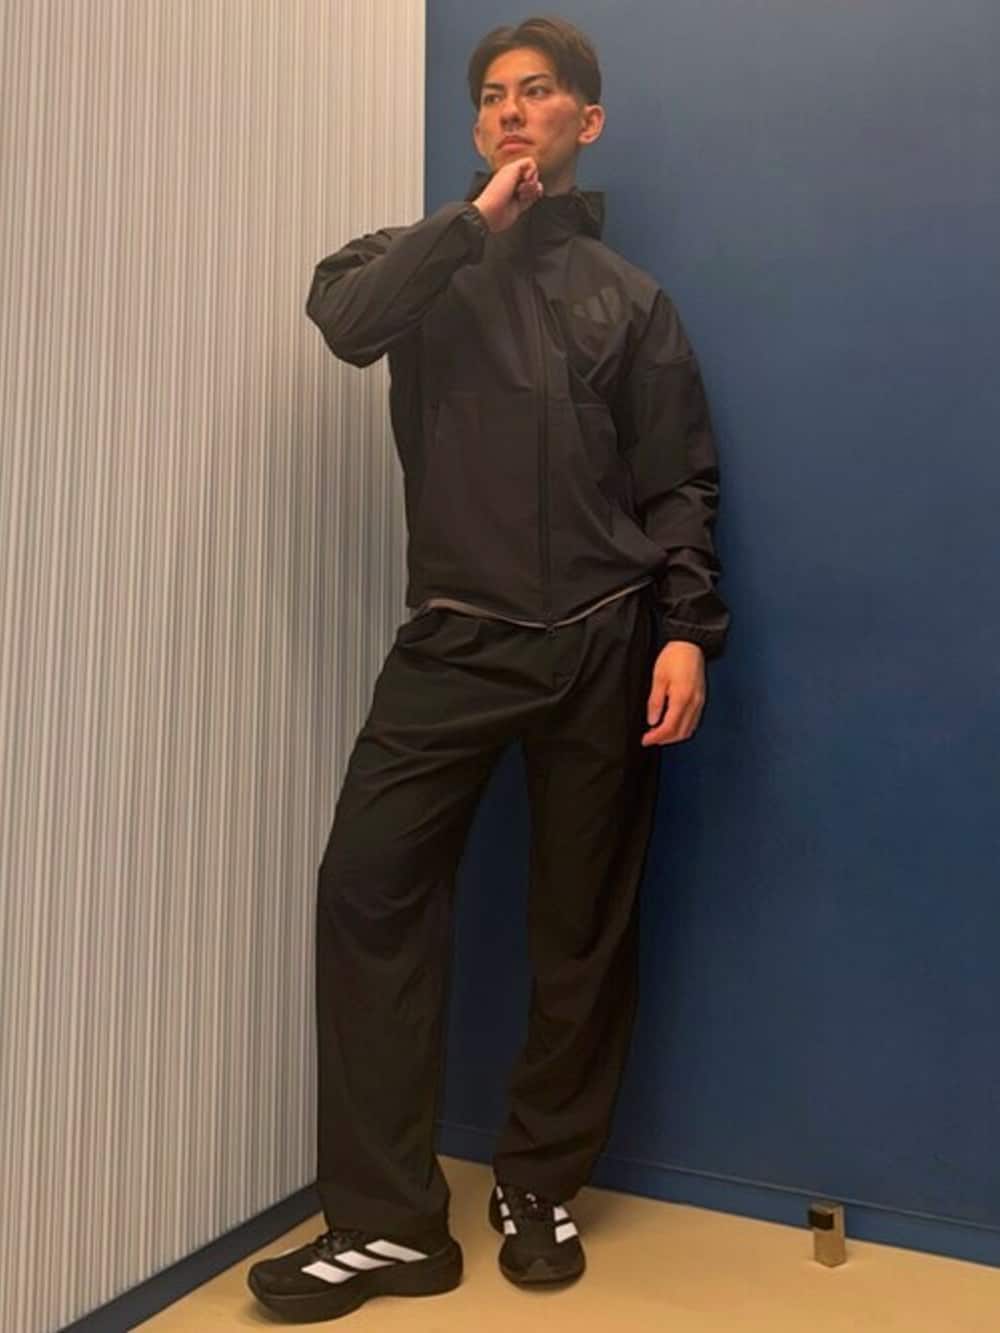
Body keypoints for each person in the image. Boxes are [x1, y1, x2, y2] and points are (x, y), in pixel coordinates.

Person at [248, 14, 729, 1324]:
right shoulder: (411, 264)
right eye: (493, 95)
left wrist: (685, 630)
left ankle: (538, 1183)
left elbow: (678, 480)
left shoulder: (631, 302)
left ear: (588, 120)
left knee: (581, 926)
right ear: (477, 126)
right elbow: (347, 323)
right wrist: (473, 222)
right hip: (455, 637)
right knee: (368, 889)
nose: (512, 109)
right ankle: (388, 1224)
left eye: (539, 92)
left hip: (605, 641)